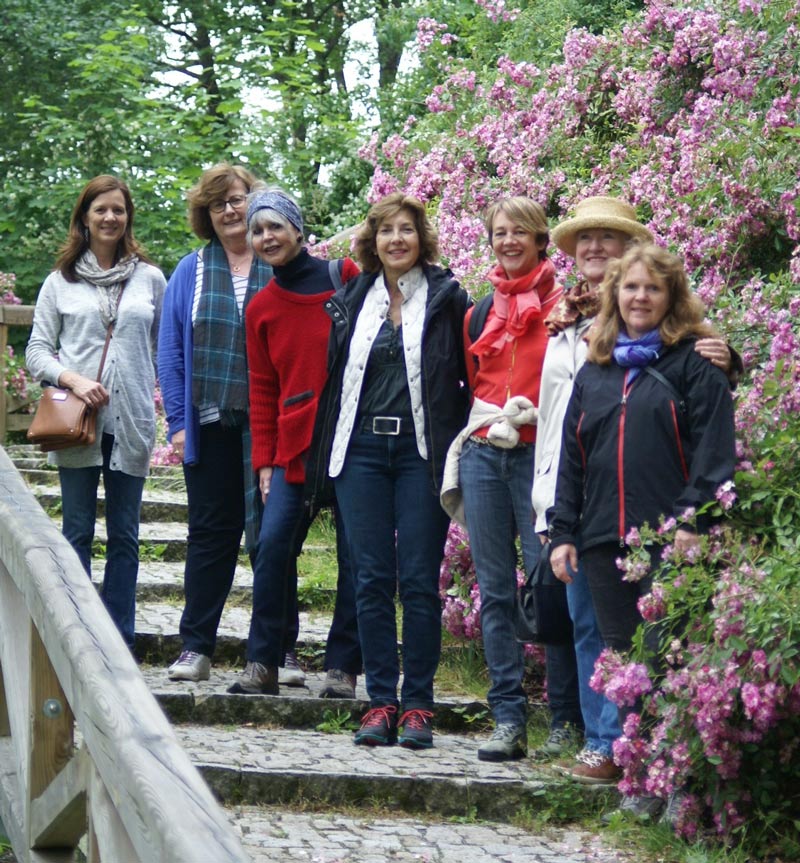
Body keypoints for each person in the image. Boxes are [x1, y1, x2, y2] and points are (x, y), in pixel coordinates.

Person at [535, 196, 738, 784]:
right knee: (619, 652)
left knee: (666, 648)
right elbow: (572, 458)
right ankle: (626, 762)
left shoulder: (694, 364)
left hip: (669, 537)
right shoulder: (595, 369)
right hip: (601, 536)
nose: (640, 297)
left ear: (671, 297)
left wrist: (691, 524)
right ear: (615, 296)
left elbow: (714, 455)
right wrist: (564, 532)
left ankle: (664, 772)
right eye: (630, 288)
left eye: (653, 289)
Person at [307, 192, 470, 749]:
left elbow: (471, 373)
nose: (396, 239)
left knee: (420, 581)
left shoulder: (448, 298)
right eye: (385, 230)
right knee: (371, 579)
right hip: (360, 454)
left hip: (421, 455)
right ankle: (380, 701)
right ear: (372, 242)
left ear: (422, 239)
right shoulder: (353, 298)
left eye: (406, 229)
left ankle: (418, 705)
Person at [440, 196, 580, 762]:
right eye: (500, 232)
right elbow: (473, 380)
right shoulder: (478, 312)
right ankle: (508, 719)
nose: (509, 241)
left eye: (521, 231)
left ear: (542, 240)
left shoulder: (568, 307)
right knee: (495, 591)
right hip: (483, 454)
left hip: (539, 457)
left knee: (551, 586)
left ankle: (565, 719)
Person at [227, 189, 362, 699]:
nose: (267, 237)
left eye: (275, 227)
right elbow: (262, 389)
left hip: (349, 442)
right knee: (272, 547)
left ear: (298, 231)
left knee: (355, 555)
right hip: (293, 447)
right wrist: (265, 463)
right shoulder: (261, 307)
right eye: (258, 231)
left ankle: (342, 668)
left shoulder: (343, 277)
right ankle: (263, 661)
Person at [26, 175, 166, 648]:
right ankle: (79, 637)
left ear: (128, 218)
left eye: (118, 210)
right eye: (100, 209)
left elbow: (162, 348)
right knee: (77, 530)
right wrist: (74, 379)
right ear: (84, 218)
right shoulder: (59, 282)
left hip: (132, 422)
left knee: (126, 533)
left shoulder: (150, 279)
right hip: (76, 423)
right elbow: (37, 351)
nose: (110, 217)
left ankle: (119, 638)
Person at [158, 163, 275, 682]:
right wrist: (179, 423)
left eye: (238, 198)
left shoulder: (280, 261)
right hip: (210, 425)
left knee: (274, 536)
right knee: (210, 535)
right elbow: (170, 352)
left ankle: (277, 651)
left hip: (271, 426)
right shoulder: (191, 270)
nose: (230, 209)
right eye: (218, 203)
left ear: (255, 201)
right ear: (206, 214)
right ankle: (195, 646)